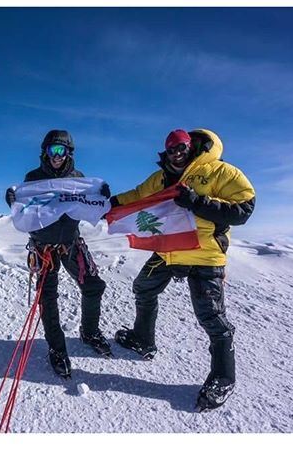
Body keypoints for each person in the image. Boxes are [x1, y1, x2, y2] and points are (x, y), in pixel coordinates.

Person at [109, 129, 255, 411]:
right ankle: (143, 339)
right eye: (172, 149)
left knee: (211, 316)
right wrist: (111, 203)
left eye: (182, 147)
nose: (177, 153)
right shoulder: (161, 177)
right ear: (166, 151)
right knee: (143, 286)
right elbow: (138, 195)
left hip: (204, 253)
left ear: (191, 146)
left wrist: (196, 203)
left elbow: (244, 209)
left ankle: (223, 377)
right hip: (169, 249)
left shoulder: (219, 171)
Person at [5, 130, 110, 379]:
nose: (56, 156)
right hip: (43, 247)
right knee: (47, 298)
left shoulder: (79, 179)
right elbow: (27, 207)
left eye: (61, 150)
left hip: (71, 243)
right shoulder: (33, 178)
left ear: (69, 153)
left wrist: (101, 195)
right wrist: (12, 199)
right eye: (52, 150)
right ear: (45, 152)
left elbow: (89, 205)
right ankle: (57, 348)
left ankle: (89, 331)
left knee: (94, 286)